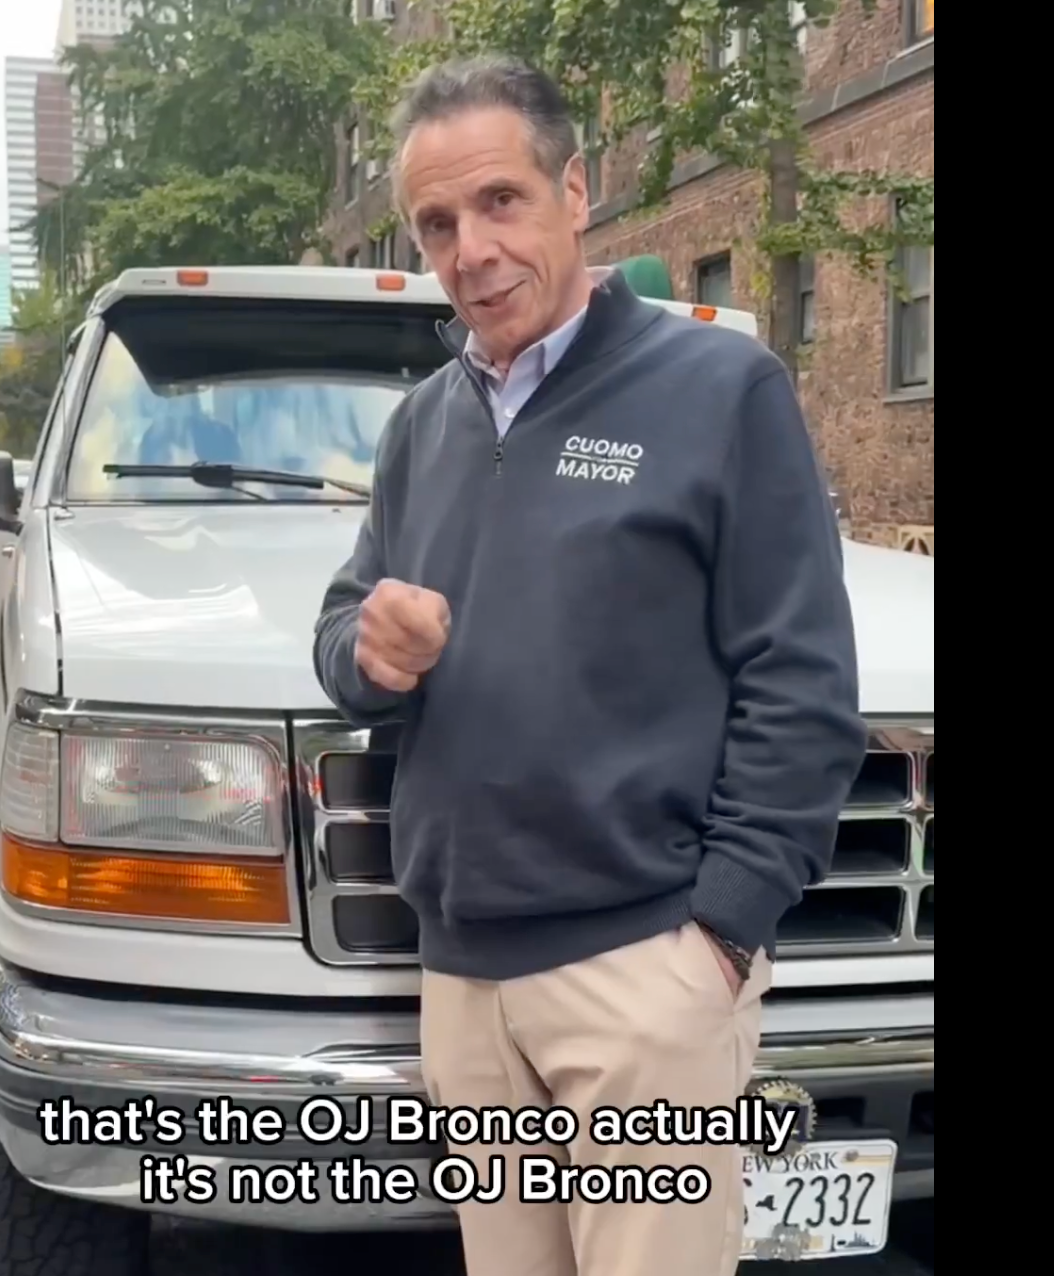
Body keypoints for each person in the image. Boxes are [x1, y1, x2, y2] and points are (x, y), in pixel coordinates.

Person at [311, 53, 869, 1276]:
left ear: (578, 191)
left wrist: (719, 938)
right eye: (438, 223)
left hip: (642, 972)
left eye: (502, 201)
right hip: (461, 985)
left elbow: (804, 681)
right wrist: (370, 646)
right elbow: (341, 633)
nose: (472, 250)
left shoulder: (721, 388)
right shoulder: (425, 423)